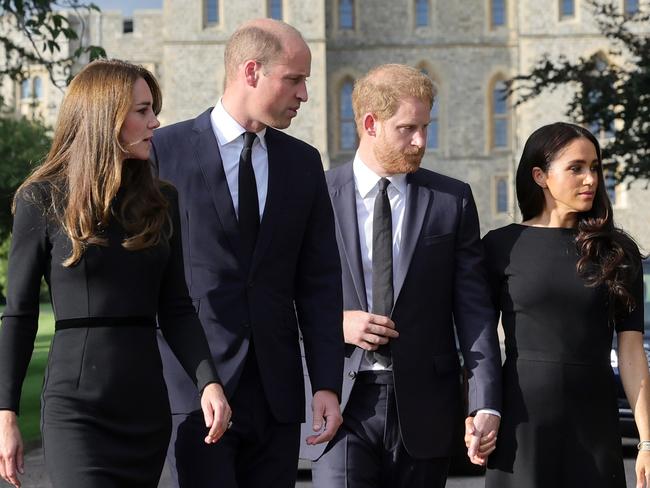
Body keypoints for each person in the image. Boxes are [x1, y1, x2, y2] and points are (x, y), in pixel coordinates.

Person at [0, 59, 230, 488]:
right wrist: (6, 414)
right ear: (105, 115)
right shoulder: (42, 198)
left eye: (152, 110)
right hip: (77, 411)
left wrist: (208, 382)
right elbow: (19, 314)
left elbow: (177, 307)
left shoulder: (161, 200)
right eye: (142, 111)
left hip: (145, 409)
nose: (155, 121)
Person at [150, 18, 344, 488]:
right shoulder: (163, 152)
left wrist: (325, 383)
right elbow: (143, 276)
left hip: (276, 395)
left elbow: (319, 283)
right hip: (192, 389)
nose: (304, 95)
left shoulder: (303, 163)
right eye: (294, 79)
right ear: (251, 71)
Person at [299, 63, 502, 488]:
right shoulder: (314, 195)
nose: (421, 141)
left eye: (426, 126)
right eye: (408, 128)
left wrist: (485, 402)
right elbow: (279, 292)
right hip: (338, 399)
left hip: (426, 406)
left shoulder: (452, 200)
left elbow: (474, 309)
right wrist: (335, 322)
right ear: (370, 124)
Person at [465, 122, 650, 487]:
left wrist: (646, 440)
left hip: (594, 424)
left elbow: (630, 351)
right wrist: (475, 412)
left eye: (595, 167)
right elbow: (475, 338)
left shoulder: (617, 252)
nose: (590, 179)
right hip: (521, 425)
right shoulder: (500, 247)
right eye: (576, 168)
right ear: (540, 176)